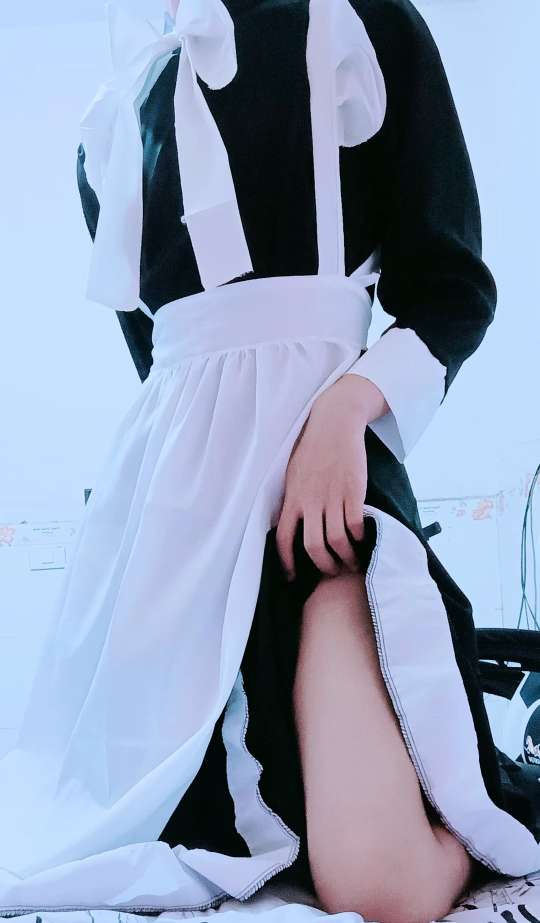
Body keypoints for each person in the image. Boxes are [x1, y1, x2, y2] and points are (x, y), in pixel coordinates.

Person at [0, 1, 538, 921]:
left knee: (379, 885)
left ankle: (482, 817)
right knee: (92, 815)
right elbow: (161, 362)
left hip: (320, 500)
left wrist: (347, 404)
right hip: (165, 539)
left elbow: (451, 285)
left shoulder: (357, 23)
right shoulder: (112, 120)